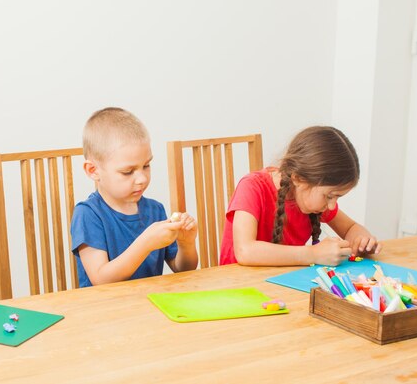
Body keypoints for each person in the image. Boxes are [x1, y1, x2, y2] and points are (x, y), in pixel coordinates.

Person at [71, 107, 198, 287]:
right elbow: (101, 279)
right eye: (128, 172)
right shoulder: (88, 214)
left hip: (150, 306)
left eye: (146, 166)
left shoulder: (155, 210)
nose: (142, 178)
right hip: (105, 310)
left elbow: (183, 270)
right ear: (93, 171)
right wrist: (145, 243)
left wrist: (187, 244)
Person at [219, 126, 381, 266]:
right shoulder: (253, 187)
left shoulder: (311, 198)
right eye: (330, 196)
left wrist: (362, 241)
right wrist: (313, 254)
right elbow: (245, 251)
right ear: (299, 179)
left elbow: (350, 228)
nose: (332, 206)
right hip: (237, 289)